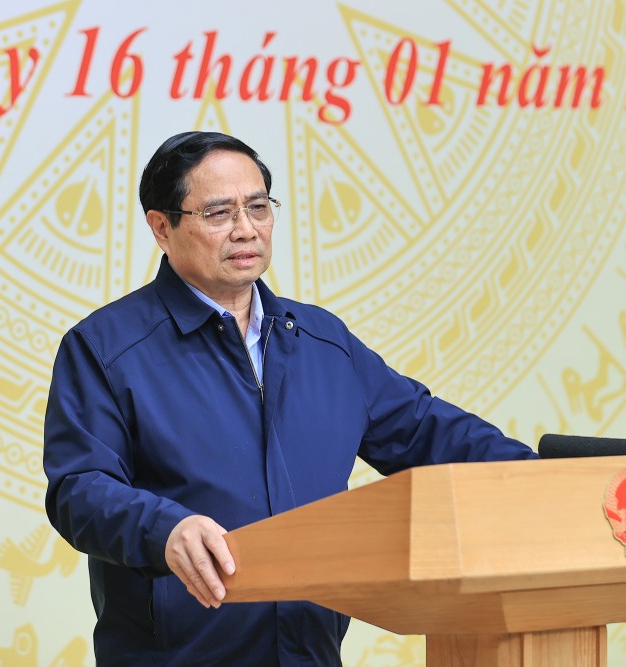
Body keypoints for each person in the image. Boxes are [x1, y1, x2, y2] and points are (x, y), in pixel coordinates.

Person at [43, 131, 538, 666]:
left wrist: (546, 479)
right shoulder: (107, 347)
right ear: (162, 226)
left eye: (258, 207)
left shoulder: (323, 343)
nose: (246, 229)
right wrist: (166, 529)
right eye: (219, 214)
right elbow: (79, 490)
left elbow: (428, 432)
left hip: (310, 652)